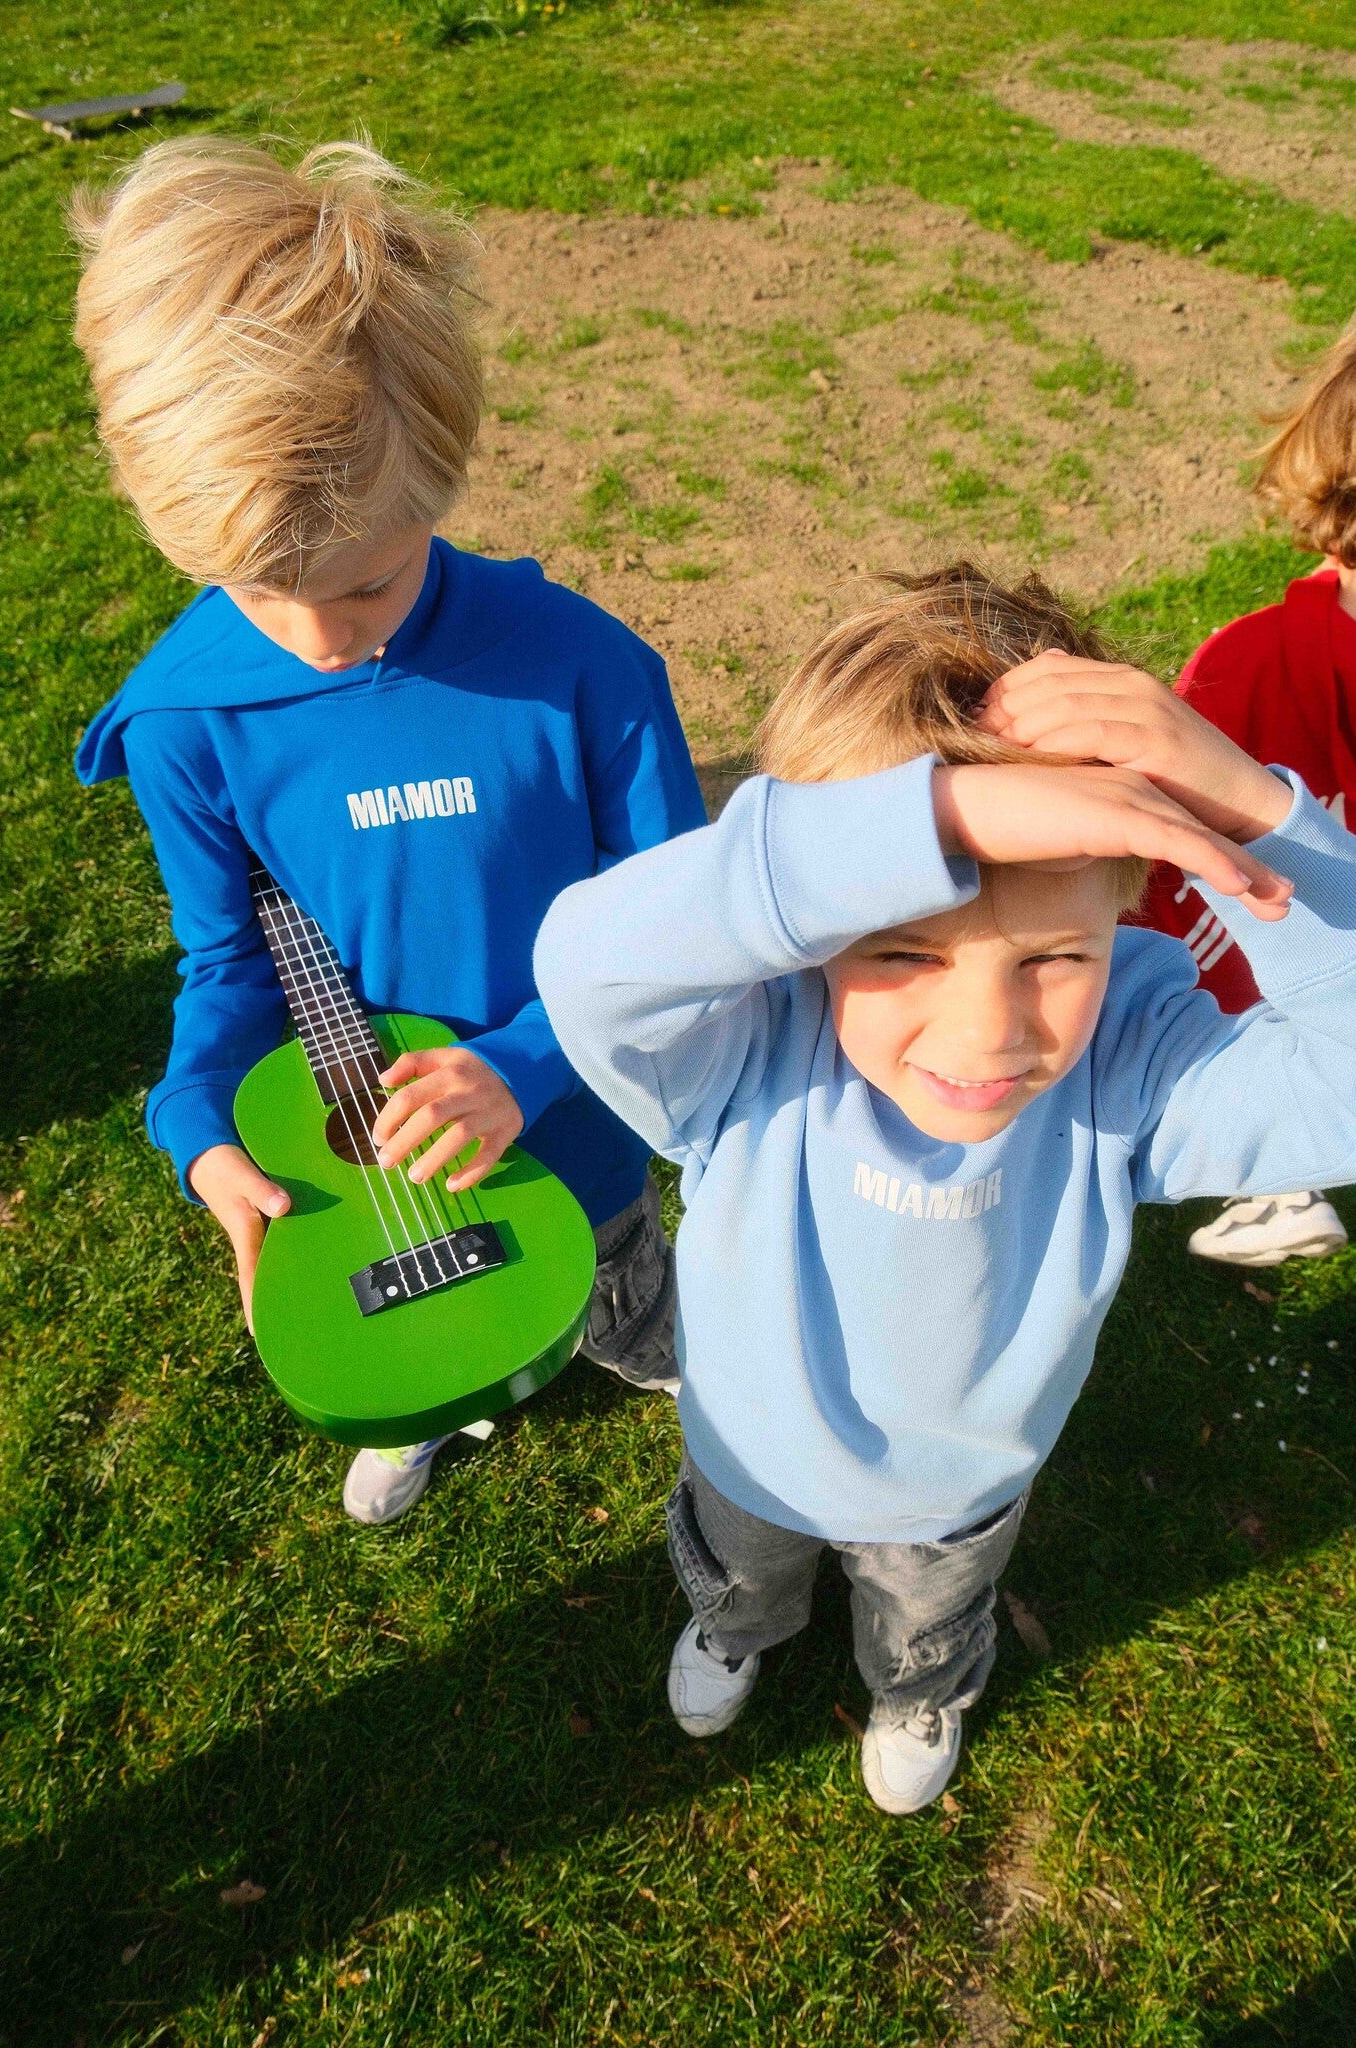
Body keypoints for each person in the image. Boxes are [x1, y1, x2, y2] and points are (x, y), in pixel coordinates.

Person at [534, 563, 1356, 1816]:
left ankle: (917, 1689)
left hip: (956, 1499)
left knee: (924, 1624)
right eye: (904, 949)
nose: (986, 1036)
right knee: (738, 1572)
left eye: (1053, 955)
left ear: (1125, 910)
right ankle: (738, 1628)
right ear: (813, 923)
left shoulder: (1128, 1055)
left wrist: (1249, 805)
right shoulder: (744, 1036)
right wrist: (930, 822)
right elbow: (586, 963)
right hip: (747, 1452)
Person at [72, 139, 704, 1524]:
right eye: (256, 591)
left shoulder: (582, 668)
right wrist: (199, 1133)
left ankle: (643, 1338)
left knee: (614, 1266)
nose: (312, 637)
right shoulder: (184, 721)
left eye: (361, 586)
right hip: (371, 1175)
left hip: (581, 1113)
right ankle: (426, 1381)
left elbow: (678, 929)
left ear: (441, 468)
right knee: (424, 1338)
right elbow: (227, 966)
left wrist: (522, 1066)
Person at [1141, 316, 1356, 1267]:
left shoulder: (1248, 664)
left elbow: (1176, 834)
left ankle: (1281, 1189)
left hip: (1290, 928)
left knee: (1259, 972)